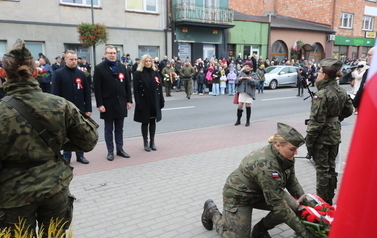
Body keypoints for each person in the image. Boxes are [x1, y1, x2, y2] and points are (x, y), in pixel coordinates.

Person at [0, 38, 98, 237]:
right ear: (35, 73)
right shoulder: (60, 105)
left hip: (12, 197)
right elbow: (88, 141)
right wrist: (59, 140)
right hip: (54, 189)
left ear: (3, 73)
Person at [201, 122, 315, 238]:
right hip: (239, 197)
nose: (296, 153)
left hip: (264, 192)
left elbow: (292, 183)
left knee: (293, 206)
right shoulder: (267, 166)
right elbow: (279, 207)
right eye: (292, 149)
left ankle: (260, 230)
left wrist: (310, 207)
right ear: (278, 145)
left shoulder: (286, 156)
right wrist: (307, 235)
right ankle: (212, 212)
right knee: (239, 236)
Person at [306, 58, 354, 205]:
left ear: (325, 75)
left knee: (322, 171)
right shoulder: (340, 90)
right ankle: (329, 199)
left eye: (320, 72)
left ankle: (321, 203)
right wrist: (335, 118)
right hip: (334, 134)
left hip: (322, 137)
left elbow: (316, 122)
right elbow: (349, 110)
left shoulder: (322, 94)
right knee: (331, 168)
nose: (317, 74)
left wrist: (309, 142)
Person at [52, 50, 92, 164]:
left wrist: (88, 108)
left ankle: (80, 155)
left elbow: (87, 93)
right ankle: (67, 156)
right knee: (66, 134)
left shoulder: (81, 74)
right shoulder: (58, 74)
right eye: (71, 59)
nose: (74, 61)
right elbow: (55, 94)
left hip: (80, 109)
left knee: (80, 132)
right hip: (64, 109)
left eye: (75, 59)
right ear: (65, 60)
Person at [93, 45, 133, 161]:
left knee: (120, 128)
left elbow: (127, 85)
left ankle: (120, 149)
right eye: (110, 53)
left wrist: (129, 100)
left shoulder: (122, 67)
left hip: (121, 102)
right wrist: (100, 104)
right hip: (107, 104)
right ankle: (110, 151)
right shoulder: (99, 68)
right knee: (108, 129)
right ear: (105, 54)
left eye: (114, 53)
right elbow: (97, 88)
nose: (112, 55)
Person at [133, 54, 165, 152]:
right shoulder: (138, 73)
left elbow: (159, 87)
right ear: (143, 62)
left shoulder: (155, 73)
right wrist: (138, 103)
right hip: (144, 101)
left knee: (153, 121)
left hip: (154, 100)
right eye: (146, 61)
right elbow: (136, 90)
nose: (148, 63)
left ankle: (152, 142)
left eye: (149, 61)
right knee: (145, 122)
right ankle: (145, 142)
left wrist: (161, 100)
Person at [234, 61, 258, 127]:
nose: (247, 67)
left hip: (249, 92)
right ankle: (238, 120)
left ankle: (248, 121)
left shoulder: (253, 74)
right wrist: (239, 79)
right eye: (246, 66)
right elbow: (236, 81)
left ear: (251, 67)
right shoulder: (241, 73)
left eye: (249, 66)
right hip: (242, 91)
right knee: (240, 105)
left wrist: (249, 79)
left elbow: (256, 83)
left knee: (248, 105)